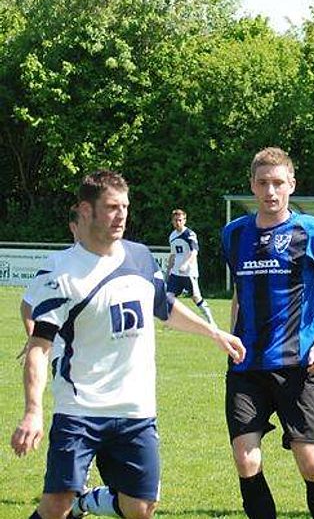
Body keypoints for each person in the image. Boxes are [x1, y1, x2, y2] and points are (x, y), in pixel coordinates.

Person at [11, 170, 245, 519]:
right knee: (56, 505)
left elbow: (164, 307)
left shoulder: (140, 257)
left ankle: (85, 503)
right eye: (111, 207)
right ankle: (73, 503)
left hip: (136, 409)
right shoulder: (61, 273)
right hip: (80, 409)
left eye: (125, 206)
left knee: (141, 507)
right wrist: (33, 411)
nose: (121, 215)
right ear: (86, 210)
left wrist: (214, 332)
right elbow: (39, 347)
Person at [222, 147, 314, 519]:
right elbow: (240, 293)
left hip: (298, 366)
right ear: (252, 185)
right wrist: (231, 337)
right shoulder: (234, 234)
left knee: (312, 464)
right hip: (246, 367)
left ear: (292, 185)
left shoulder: (313, 232)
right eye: (263, 183)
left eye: (278, 183)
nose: (271, 191)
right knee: (246, 459)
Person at [18, 206, 80, 361]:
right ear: (73, 227)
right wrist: (34, 339)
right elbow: (27, 303)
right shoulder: (56, 263)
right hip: (64, 354)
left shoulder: (109, 262)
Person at [166, 208, 216, 326]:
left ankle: (211, 321)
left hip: (189, 273)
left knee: (196, 297)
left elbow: (194, 252)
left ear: (185, 220)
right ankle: (171, 322)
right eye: (175, 220)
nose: (178, 223)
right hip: (176, 273)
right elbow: (173, 254)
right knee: (168, 296)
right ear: (172, 221)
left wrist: (186, 264)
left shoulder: (190, 234)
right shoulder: (172, 236)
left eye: (180, 220)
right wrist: (168, 270)